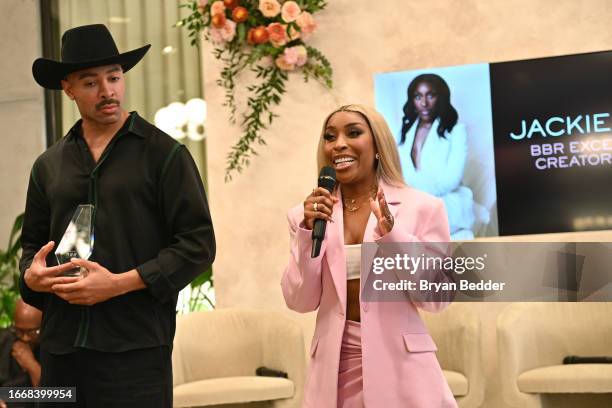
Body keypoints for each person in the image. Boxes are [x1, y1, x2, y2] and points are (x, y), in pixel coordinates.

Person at [20, 24, 215, 407]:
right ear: (68, 88)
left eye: (114, 77)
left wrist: (120, 283)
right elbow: (30, 252)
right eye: (90, 82)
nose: (108, 91)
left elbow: (198, 245)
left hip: (136, 350)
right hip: (61, 351)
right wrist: (33, 276)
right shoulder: (48, 165)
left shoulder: (164, 155)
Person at [281, 104, 457, 407]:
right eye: (330, 136)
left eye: (353, 133)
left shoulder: (423, 207)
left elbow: (437, 297)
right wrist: (307, 232)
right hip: (333, 370)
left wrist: (393, 235)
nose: (339, 144)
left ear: (378, 145)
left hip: (402, 367)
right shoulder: (306, 215)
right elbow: (300, 300)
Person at [399, 73, 475, 239]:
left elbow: (452, 178)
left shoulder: (456, 130)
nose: (424, 103)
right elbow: (400, 176)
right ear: (412, 100)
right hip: (413, 218)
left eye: (430, 95)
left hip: (449, 213)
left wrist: (413, 197)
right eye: (418, 96)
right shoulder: (405, 133)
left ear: (441, 97)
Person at [0, 299, 42, 408]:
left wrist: (30, 364)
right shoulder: (5, 340)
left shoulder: (55, 349)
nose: (25, 338)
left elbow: (58, 396)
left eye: (32, 332)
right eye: (19, 331)